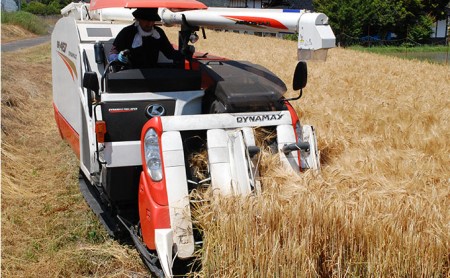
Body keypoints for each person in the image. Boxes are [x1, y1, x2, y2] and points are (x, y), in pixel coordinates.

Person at [108, 8, 183, 68]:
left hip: (152, 75)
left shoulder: (158, 33)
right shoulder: (127, 32)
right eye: (146, 20)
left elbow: (169, 53)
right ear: (138, 18)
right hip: (130, 76)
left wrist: (184, 53)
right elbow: (111, 55)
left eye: (152, 20)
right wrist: (117, 58)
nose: (150, 23)